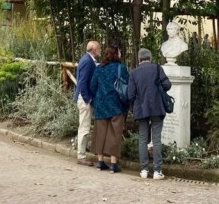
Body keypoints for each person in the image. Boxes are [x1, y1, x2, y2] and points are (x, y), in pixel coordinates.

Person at [128, 47, 172, 180]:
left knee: (142, 139)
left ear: (139, 59)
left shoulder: (134, 73)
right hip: (157, 108)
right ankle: (158, 171)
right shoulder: (157, 69)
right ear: (150, 58)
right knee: (156, 139)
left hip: (141, 109)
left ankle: (144, 170)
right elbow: (168, 85)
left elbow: (130, 94)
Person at [89, 45, 129, 174]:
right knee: (114, 134)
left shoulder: (99, 68)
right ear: (116, 54)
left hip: (101, 104)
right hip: (116, 104)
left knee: (100, 133)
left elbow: (92, 86)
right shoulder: (121, 68)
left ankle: (100, 162)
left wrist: (97, 99)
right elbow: (127, 85)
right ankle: (113, 164)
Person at [73, 40, 101, 166]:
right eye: (99, 48)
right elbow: (82, 82)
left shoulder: (88, 60)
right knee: (84, 127)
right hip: (84, 99)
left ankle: (82, 153)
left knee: (84, 126)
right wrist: (88, 99)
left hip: (84, 98)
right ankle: (81, 155)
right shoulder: (87, 61)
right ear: (94, 50)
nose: (100, 50)